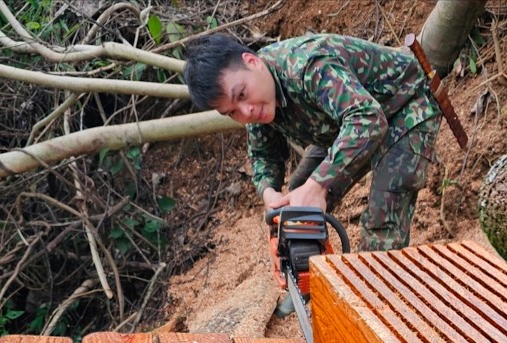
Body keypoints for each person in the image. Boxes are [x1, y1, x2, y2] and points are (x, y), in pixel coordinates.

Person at [183, 33, 441, 257]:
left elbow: (368, 119)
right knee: (295, 206)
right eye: (232, 112)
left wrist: (320, 184)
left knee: (381, 223)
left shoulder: (309, 66)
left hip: (406, 106)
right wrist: (269, 193)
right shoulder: (256, 98)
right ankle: (307, 279)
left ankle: (378, 302)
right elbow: (264, 155)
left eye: (241, 95)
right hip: (349, 125)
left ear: (252, 62)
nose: (246, 112)